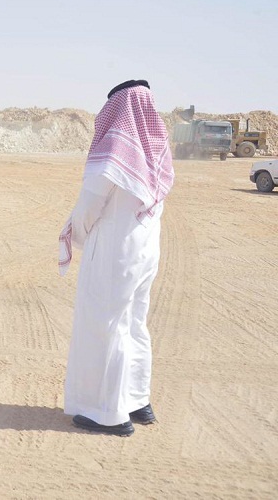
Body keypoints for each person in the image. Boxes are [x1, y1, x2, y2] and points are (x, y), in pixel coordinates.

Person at [58, 79, 174, 436]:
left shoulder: (116, 148)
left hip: (114, 249)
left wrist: (76, 235)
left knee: (106, 325)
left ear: (118, 109)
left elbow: (89, 205)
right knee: (134, 322)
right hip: (145, 247)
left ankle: (108, 413)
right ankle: (137, 401)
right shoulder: (155, 150)